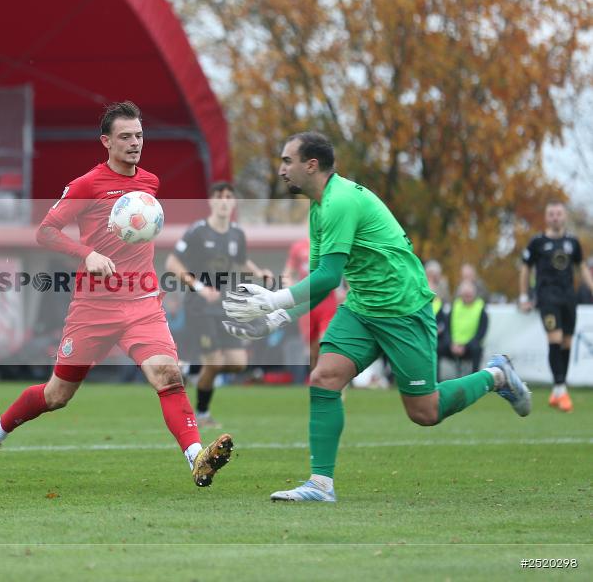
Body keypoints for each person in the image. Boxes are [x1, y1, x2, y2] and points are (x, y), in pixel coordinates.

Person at [221, 131, 531, 503]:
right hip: (363, 306)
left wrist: (274, 301)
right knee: (324, 376)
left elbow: (330, 278)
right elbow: (320, 281)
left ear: (311, 165)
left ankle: (496, 376)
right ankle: (321, 485)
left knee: (425, 411)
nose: (282, 169)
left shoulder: (339, 202)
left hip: (402, 308)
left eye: (287, 161)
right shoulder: (320, 207)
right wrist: (278, 319)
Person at [0, 101, 233, 488]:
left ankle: (196, 457)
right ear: (106, 142)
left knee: (169, 376)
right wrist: (87, 253)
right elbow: (46, 231)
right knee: (57, 395)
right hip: (93, 307)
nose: (134, 143)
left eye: (139, 135)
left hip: (142, 301)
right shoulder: (87, 185)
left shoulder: (151, 183)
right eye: (125, 136)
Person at [165, 182, 270, 427]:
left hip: (224, 305)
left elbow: (242, 262)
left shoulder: (237, 234)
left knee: (237, 362)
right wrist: (200, 288)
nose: (224, 201)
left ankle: (190, 370)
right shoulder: (197, 231)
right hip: (199, 306)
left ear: (233, 203)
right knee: (213, 363)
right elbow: (172, 263)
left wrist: (259, 273)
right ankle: (202, 414)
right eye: (219, 196)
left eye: (229, 197)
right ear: (211, 202)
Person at [519, 201, 593, 413]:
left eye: (558, 214)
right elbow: (525, 269)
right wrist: (524, 296)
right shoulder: (537, 242)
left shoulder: (573, 242)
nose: (555, 217)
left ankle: (558, 390)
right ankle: (561, 388)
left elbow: (581, 267)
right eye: (551, 214)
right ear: (546, 217)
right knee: (556, 339)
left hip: (569, 298)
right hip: (547, 297)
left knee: (567, 343)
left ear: (564, 216)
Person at [281, 238, 340, 377]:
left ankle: (333, 383)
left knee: (325, 344)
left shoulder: (331, 244)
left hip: (327, 302)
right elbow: (288, 272)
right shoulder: (298, 247)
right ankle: (319, 382)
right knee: (313, 352)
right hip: (306, 305)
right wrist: (289, 286)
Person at [437, 280, 488, 375]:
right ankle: (436, 382)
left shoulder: (481, 309)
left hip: (469, 347)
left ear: (474, 294)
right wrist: (451, 344)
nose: (467, 297)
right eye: (465, 294)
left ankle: (474, 380)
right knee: (437, 347)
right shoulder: (455, 306)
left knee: (477, 349)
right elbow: (447, 329)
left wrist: (465, 346)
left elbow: (481, 334)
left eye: (469, 294)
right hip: (453, 346)